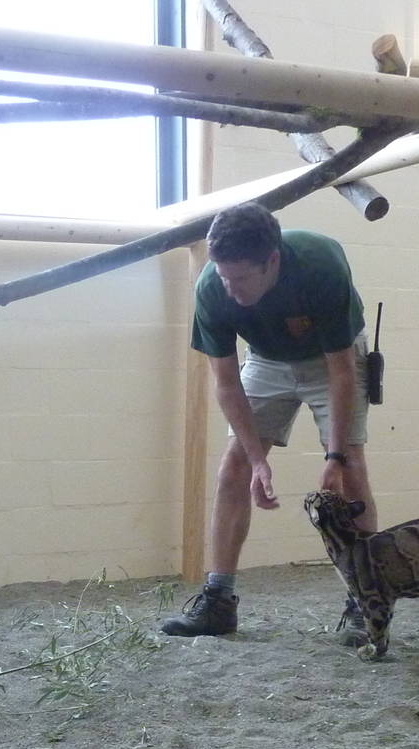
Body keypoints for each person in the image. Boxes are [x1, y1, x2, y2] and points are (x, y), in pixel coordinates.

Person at [162, 201, 378, 642]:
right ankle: (218, 600)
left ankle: (367, 602)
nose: (232, 288)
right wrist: (259, 461)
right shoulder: (211, 289)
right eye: (224, 276)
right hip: (266, 358)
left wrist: (334, 456)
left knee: (352, 468)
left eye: (241, 278)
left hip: (329, 356)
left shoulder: (320, 264)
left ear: (272, 261)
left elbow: (341, 371)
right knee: (234, 467)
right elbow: (225, 383)